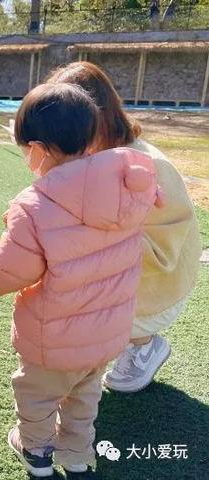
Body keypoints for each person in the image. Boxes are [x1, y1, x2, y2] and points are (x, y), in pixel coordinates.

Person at [0, 82, 161, 479]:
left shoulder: (35, 206)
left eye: (27, 149)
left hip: (54, 340)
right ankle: (77, 454)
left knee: (36, 396)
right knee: (84, 396)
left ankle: (37, 453)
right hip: (106, 337)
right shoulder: (127, 189)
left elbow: (6, 275)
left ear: (40, 150)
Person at [45, 62, 202, 393]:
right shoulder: (90, 158)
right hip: (126, 275)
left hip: (161, 285)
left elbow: (163, 254)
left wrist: (86, 232)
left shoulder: (148, 167)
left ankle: (144, 343)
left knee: (80, 308)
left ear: (97, 118)